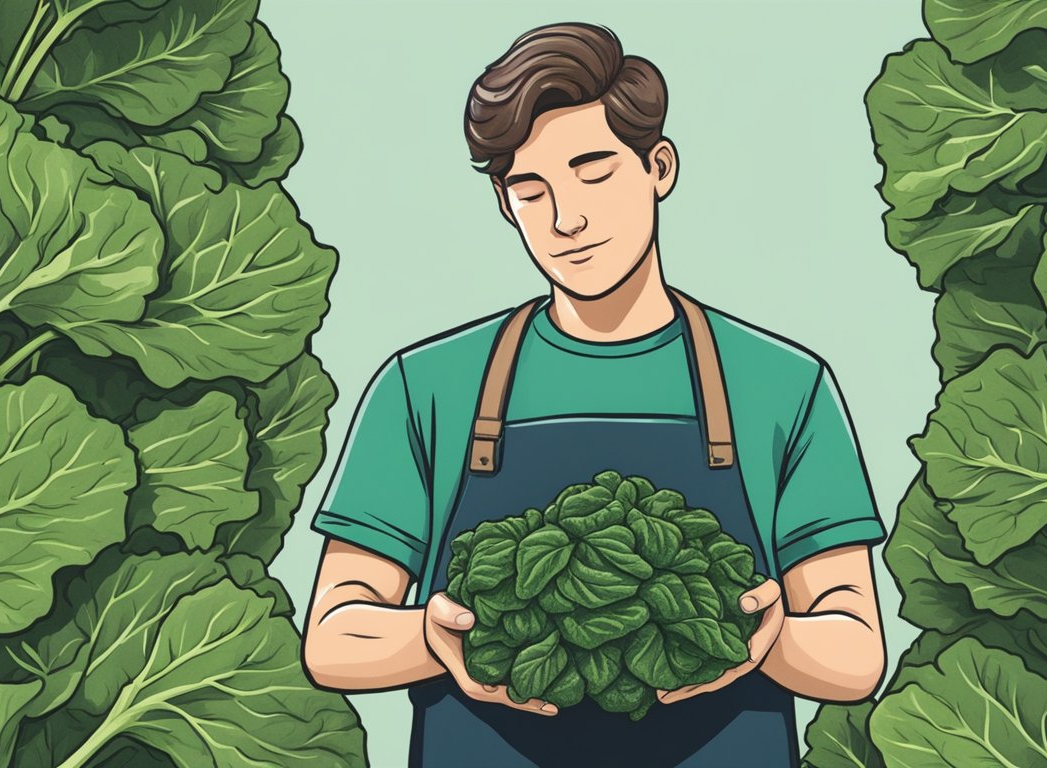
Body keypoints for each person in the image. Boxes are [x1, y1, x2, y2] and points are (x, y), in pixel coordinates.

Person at [302, 22, 888, 768]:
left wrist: (767, 641)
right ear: (504, 201)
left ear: (659, 167)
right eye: (531, 189)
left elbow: (857, 650)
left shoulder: (781, 384)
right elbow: (332, 637)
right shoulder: (426, 385)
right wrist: (429, 636)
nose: (566, 219)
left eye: (594, 170)